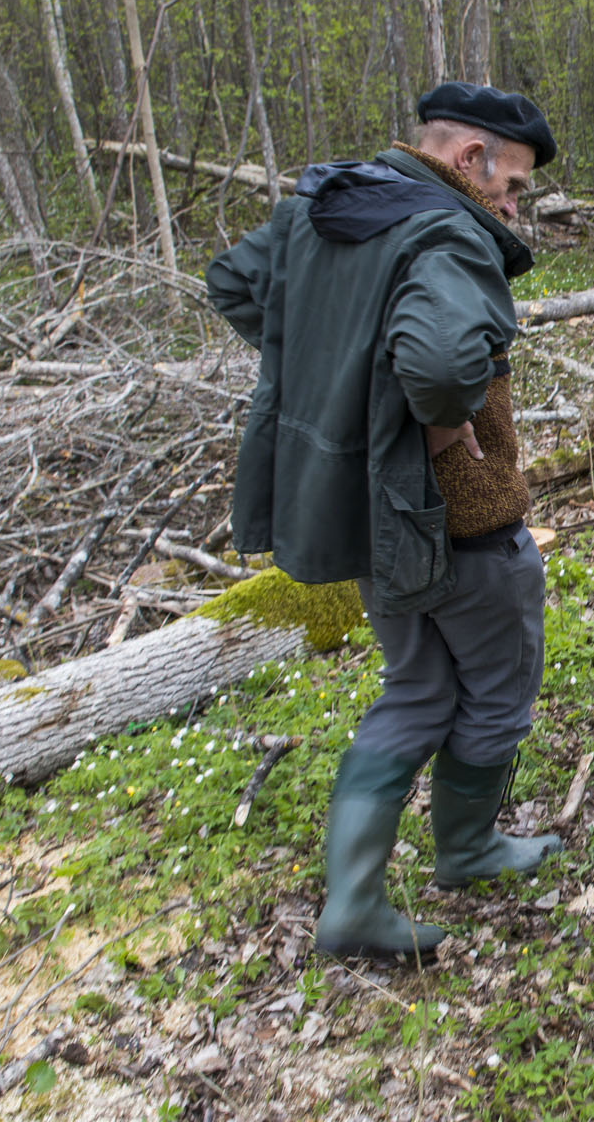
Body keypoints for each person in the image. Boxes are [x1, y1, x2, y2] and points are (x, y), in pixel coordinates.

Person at [206, 83, 564, 960]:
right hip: (457, 514)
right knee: (500, 684)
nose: (514, 206)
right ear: (468, 159)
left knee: (416, 688)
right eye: (512, 184)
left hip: (368, 509)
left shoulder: (334, 207)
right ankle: (468, 847)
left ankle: (355, 903)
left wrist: (345, 377)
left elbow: (235, 284)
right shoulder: (446, 229)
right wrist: (439, 418)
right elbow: (441, 366)